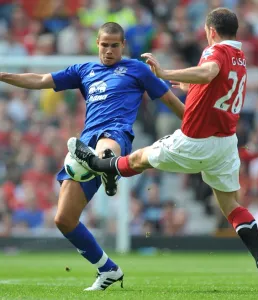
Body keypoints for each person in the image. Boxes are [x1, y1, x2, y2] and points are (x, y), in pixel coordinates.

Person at [68, 8, 258, 294]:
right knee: (231, 207)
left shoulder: (217, 51)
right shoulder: (240, 57)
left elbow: (209, 71)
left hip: (195, 140)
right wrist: (190, 88)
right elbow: (217, 85)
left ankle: (100, 166)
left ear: (211, 31)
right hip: (225, 144)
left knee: (138, 158)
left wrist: (164, 72)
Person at [0, 22, 185, 291]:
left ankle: (105, 166)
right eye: (104, 45)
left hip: (116, 133)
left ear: (122, 46)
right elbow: (41, 80)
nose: (108, 50)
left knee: (106, 150)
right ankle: (108, 269)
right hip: (84, 144)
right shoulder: (84, 70)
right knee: (63, 219)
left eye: (114, 45)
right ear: (97, 44)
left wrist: (195, 128)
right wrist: (4, 76)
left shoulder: (137, 69)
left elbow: (169, 99)